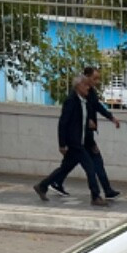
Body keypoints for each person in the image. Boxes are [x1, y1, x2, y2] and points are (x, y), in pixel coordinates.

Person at [34, 74, 104, 204]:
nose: (88, 88)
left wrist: (90, 128)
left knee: (64, 169)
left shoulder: (84, 102)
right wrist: (62, 144)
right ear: (78, 86)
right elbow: (63, 123)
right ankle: (95, 196)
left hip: (81, 142)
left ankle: (42, 186)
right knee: (90, 168)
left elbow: (82, 122)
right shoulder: (71, 100)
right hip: (75, 143)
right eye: (85, 85)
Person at [80, 65, 122, 201]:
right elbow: (76, 112)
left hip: (87, 134)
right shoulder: (80, 92)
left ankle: (106, 190)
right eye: (95, 78)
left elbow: (97, 106)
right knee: (93, 163)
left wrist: (111, 117)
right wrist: (87, 122)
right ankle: (101, 192)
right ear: (86, 77)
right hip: (81, 135)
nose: (97, 82)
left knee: (72, 163)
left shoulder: (90, 91)